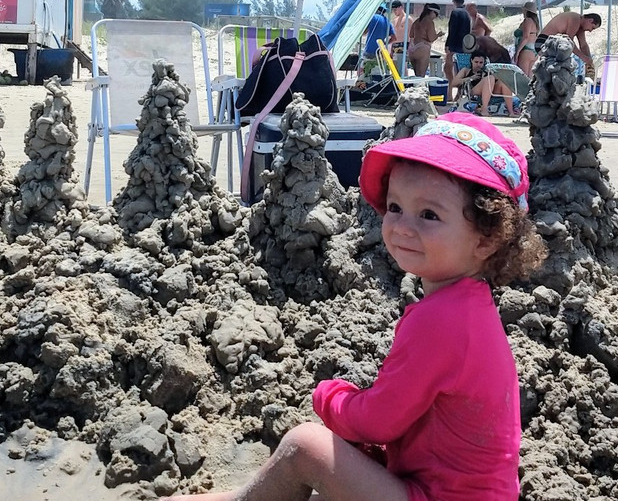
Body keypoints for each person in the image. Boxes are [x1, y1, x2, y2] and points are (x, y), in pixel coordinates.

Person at [170, 113, 546, 501]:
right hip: (444, 487)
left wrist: (329, 396)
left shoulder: (441, 318)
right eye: (396, 207)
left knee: (306, 447)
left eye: (429, 215)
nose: (401, 226)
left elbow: (379, 422)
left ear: (486, 239)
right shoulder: (468, 305)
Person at [463, 34, 517, 116]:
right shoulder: (466, 69)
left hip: (489, 86)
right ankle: (484, 110)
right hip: (475, 88)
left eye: (480, 62)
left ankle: (511, 112)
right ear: (471, 60)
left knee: (503, 82)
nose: (478, 64)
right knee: (490, 78)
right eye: (476, 62)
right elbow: (455, 83)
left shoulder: (488, 52)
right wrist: (470, 77)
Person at [536, 11, 601, 77]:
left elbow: (583, 45)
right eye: (592, 28)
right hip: (543, 43)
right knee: (555, 72)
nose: (590, 31)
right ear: (590, 20)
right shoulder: (576, 19)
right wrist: (583, 57)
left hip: (552, 45)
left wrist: (589, 62)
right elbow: (569, 42)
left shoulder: (580, 27)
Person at [443, 0, 472, 91]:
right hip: (465, 46)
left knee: (448, 69)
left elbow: (452, 30)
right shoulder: (467, 13)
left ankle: (450, 92)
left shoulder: (455, 12)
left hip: (455, 46)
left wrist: (447, 45)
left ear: (454, 1)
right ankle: (458, 93)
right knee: (460, 71)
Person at [405, 2, 440, 77]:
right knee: (421, 76)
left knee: (416, 76)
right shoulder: (429, 22)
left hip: (412, 48)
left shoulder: (417, 21)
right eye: (436, 14)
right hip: (423, 48)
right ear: (432, 12)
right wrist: (438, 35)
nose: (436, 17)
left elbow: (411, 35)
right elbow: (431, 38)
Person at [362, 5, 395, 71]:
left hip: (369, 49)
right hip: (380, 52)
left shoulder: (373, 18)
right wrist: (385, 43)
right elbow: (394, 38)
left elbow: (364, 32)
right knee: (377, 71)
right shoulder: (388, 22)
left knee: (363, 69)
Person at [513, 1, 539, 77]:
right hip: (533, 52)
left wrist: (517, 52)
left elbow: (526, 37)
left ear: (526, 10)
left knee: (522, 78)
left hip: (525, 50)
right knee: (529, 79)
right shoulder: (535, 23)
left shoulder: (528, 21)